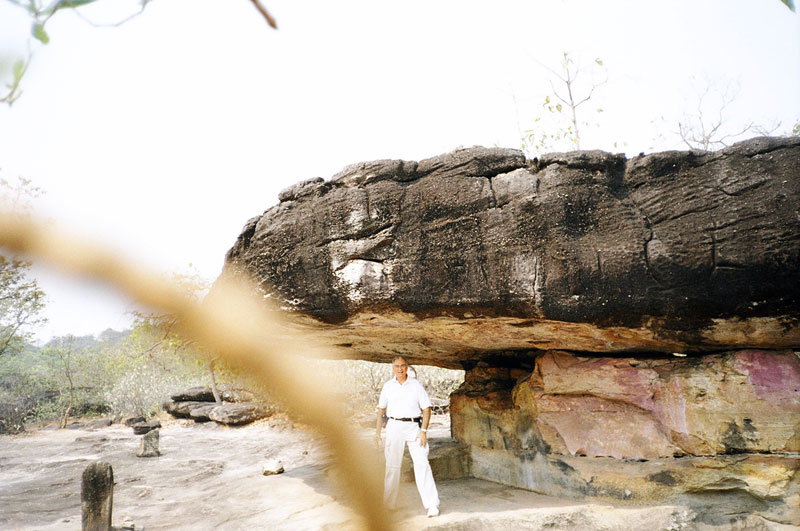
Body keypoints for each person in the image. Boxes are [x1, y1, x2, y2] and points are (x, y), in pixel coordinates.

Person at [374, 356, 440, 517]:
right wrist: (377, 433)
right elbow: (381, 410)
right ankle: (388, 504)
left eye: (403, 366)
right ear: (393, 368)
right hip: (394, 426)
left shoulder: (415, 385)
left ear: (407, 367)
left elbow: (426, 409)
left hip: (413, 427)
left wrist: (423, 431)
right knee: (392, 466)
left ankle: (432, 505)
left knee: (422, 463)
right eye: (397, 366)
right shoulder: (388, 386)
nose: (400, 369)